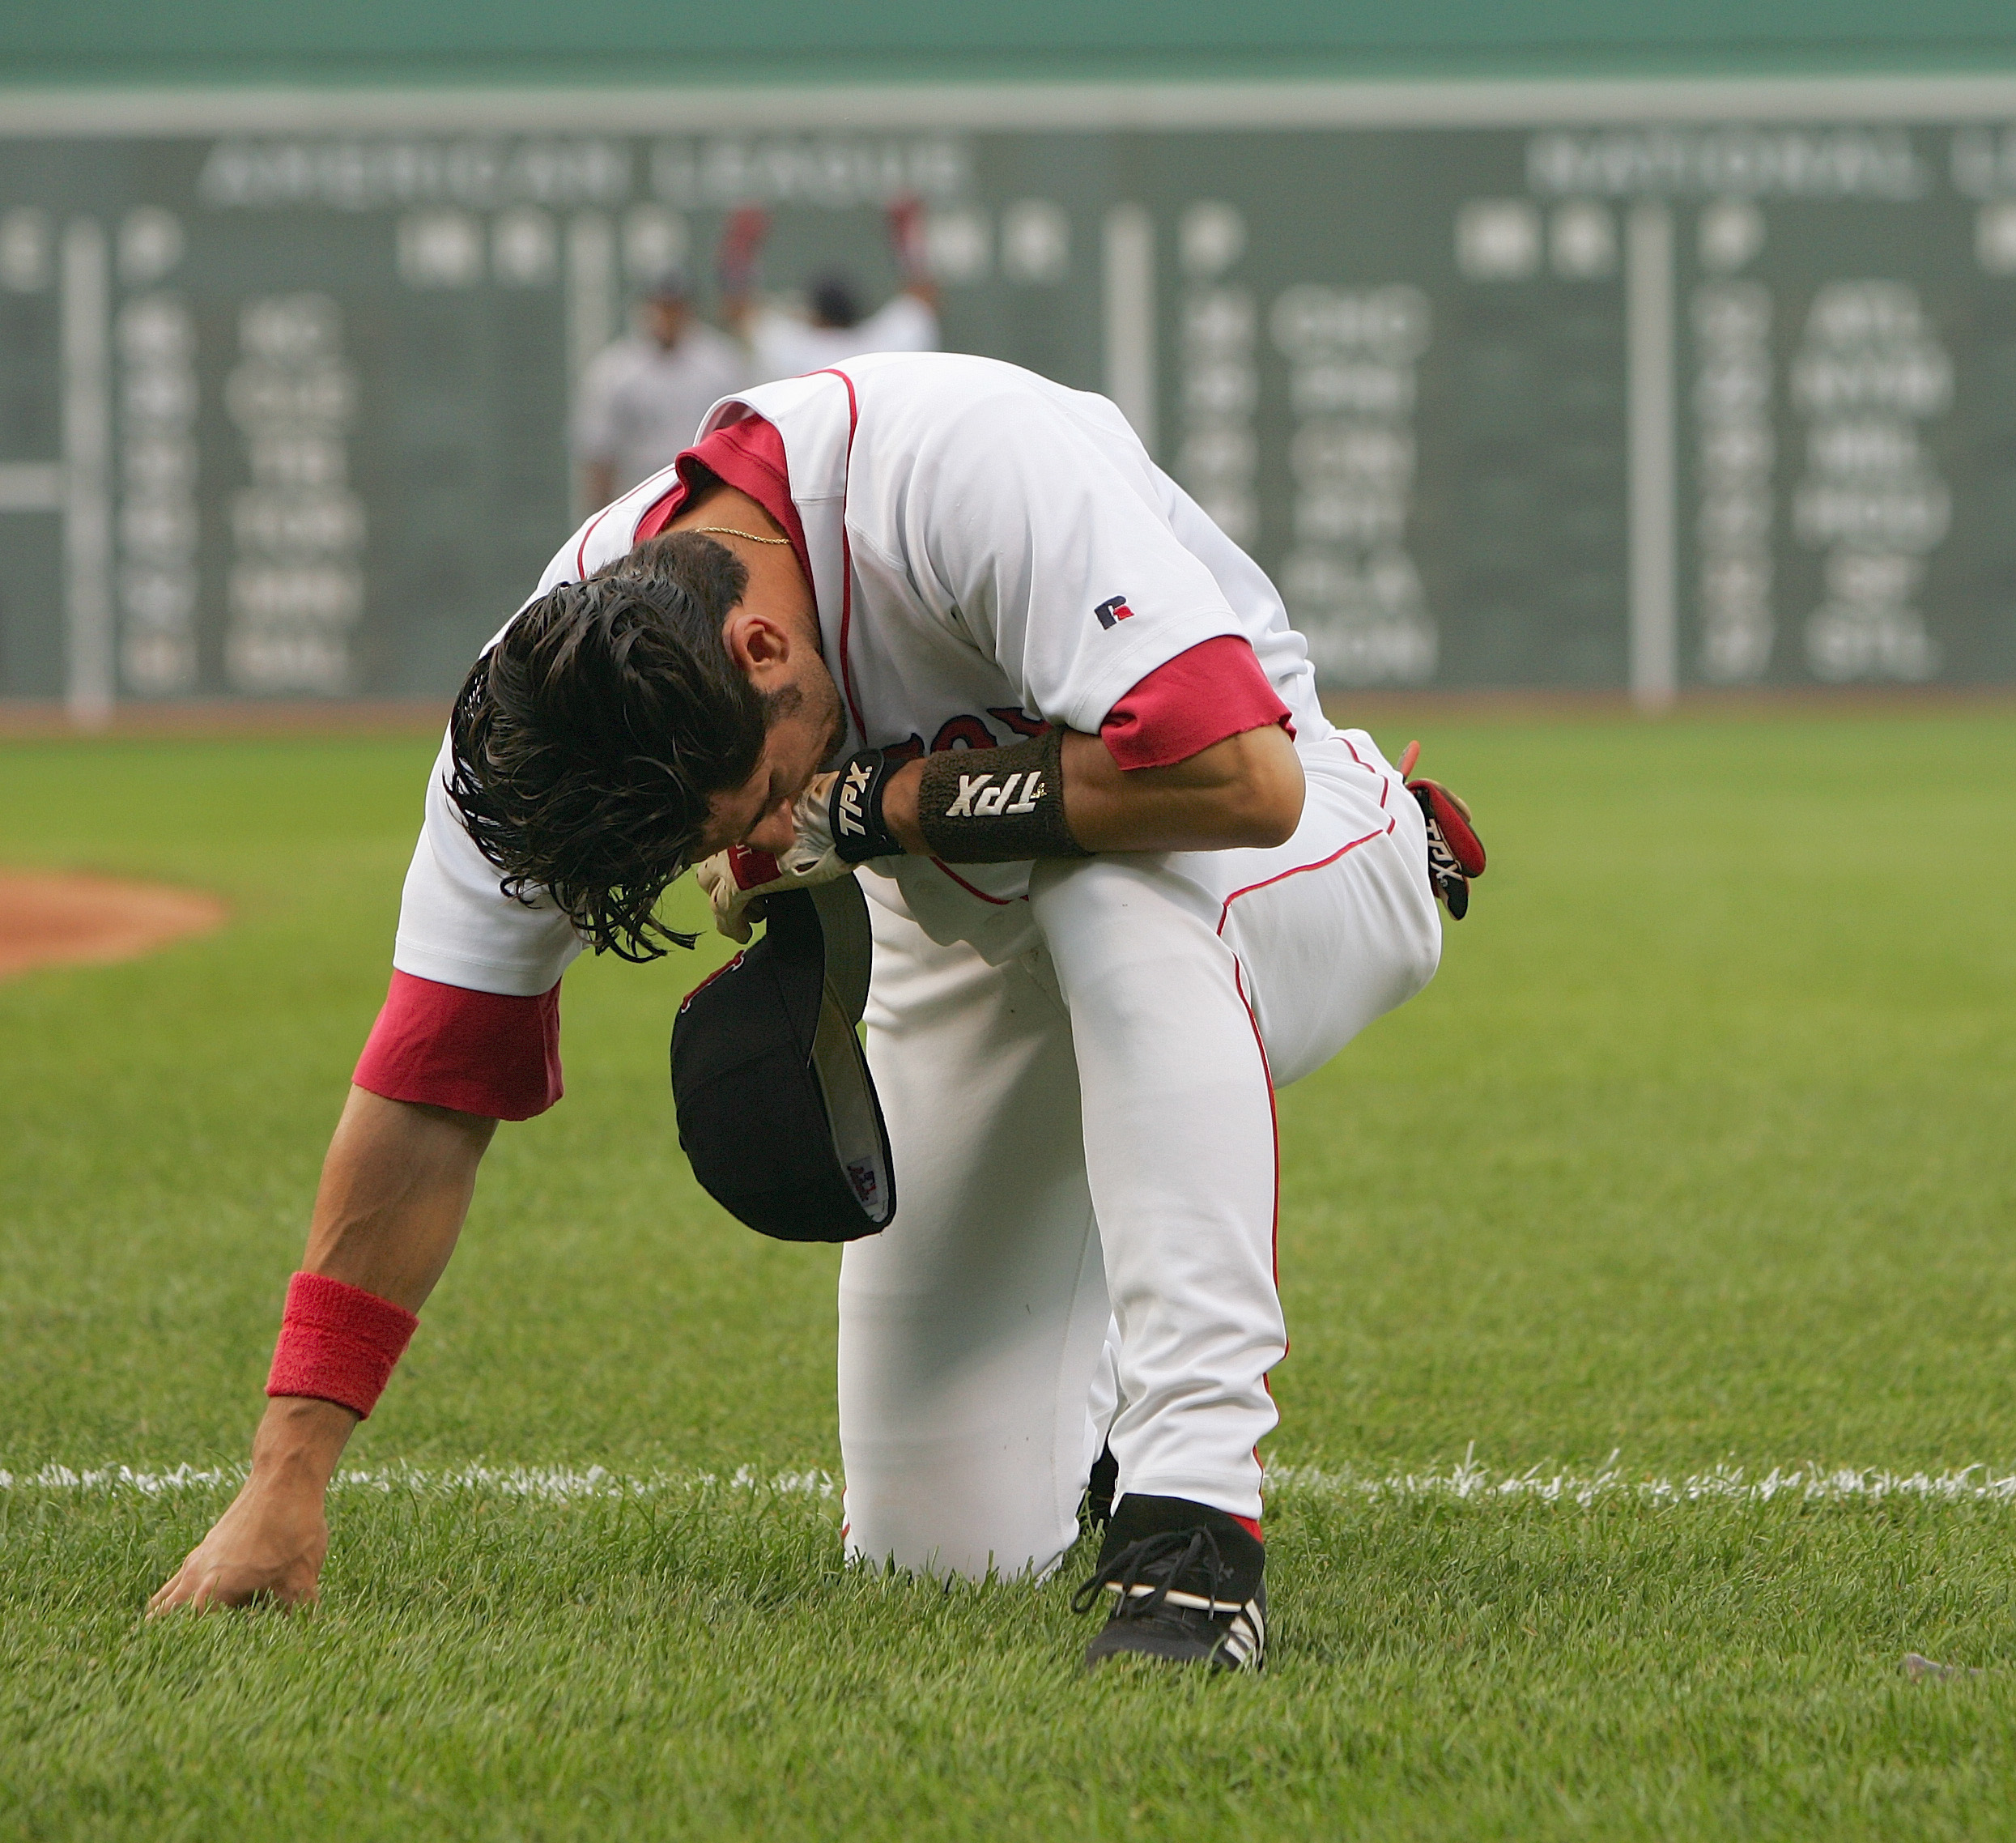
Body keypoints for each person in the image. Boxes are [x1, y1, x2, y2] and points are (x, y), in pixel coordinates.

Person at [147, 349, 1485, 1674]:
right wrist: (288, 1469)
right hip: (967, 935)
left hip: (1284, 849)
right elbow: (432, 1085)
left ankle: (1192, 1528)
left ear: (763, 645)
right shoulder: (539, 716)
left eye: (734, 808)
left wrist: (859, 810)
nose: (743, 835)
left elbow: (1231, 779)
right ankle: (1090, 1406)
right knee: (939, 1550)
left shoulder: (955, 466)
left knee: (1115, 901)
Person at [570, 274, 751, 509]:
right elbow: (599, 453)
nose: (668, 316)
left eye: (675, 307)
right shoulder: (614, 370)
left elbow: (745, 438)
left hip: (706, 494)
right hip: (639, 499)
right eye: (661, 307)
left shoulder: (720, 362)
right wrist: (599, 514)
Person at [723, 198, 940, 384]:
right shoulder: (883, 348)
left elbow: (740, 311)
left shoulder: (794, 350)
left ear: (815, 314)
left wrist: (741, 247)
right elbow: (923, 298)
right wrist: (909, 238)